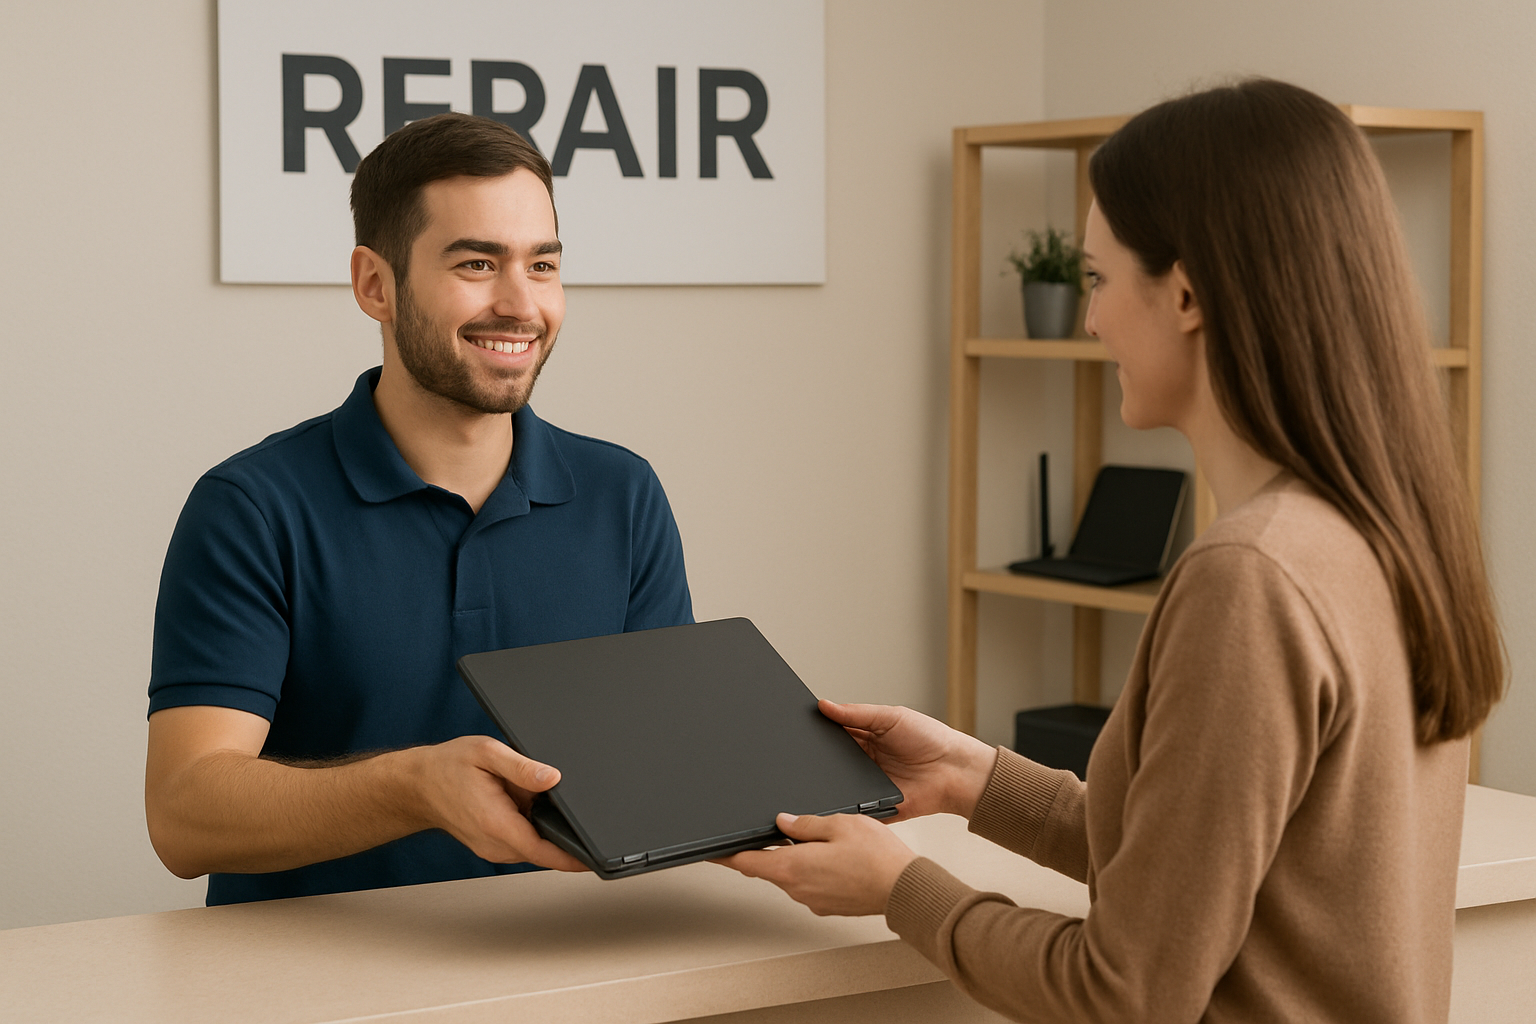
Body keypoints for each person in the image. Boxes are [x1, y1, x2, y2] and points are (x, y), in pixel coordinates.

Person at [721, 79, 1504, 1024]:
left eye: (1097, 279)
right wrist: (973, 778)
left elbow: (1128, 991)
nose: (1088, 320)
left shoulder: (1250, 577)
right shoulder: (1379, 533)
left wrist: (901, 890)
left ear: (1186, 293)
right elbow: (1194, 875)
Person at [144, 113, 692, 905]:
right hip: (317, 991)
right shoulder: (252, 509)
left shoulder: (623, 494)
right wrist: (415, 787)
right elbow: (184, 816)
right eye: (477, 263)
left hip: (574, 968)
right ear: (376, 284)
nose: (520, 304)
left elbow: (663, 774)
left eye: (542, 265)